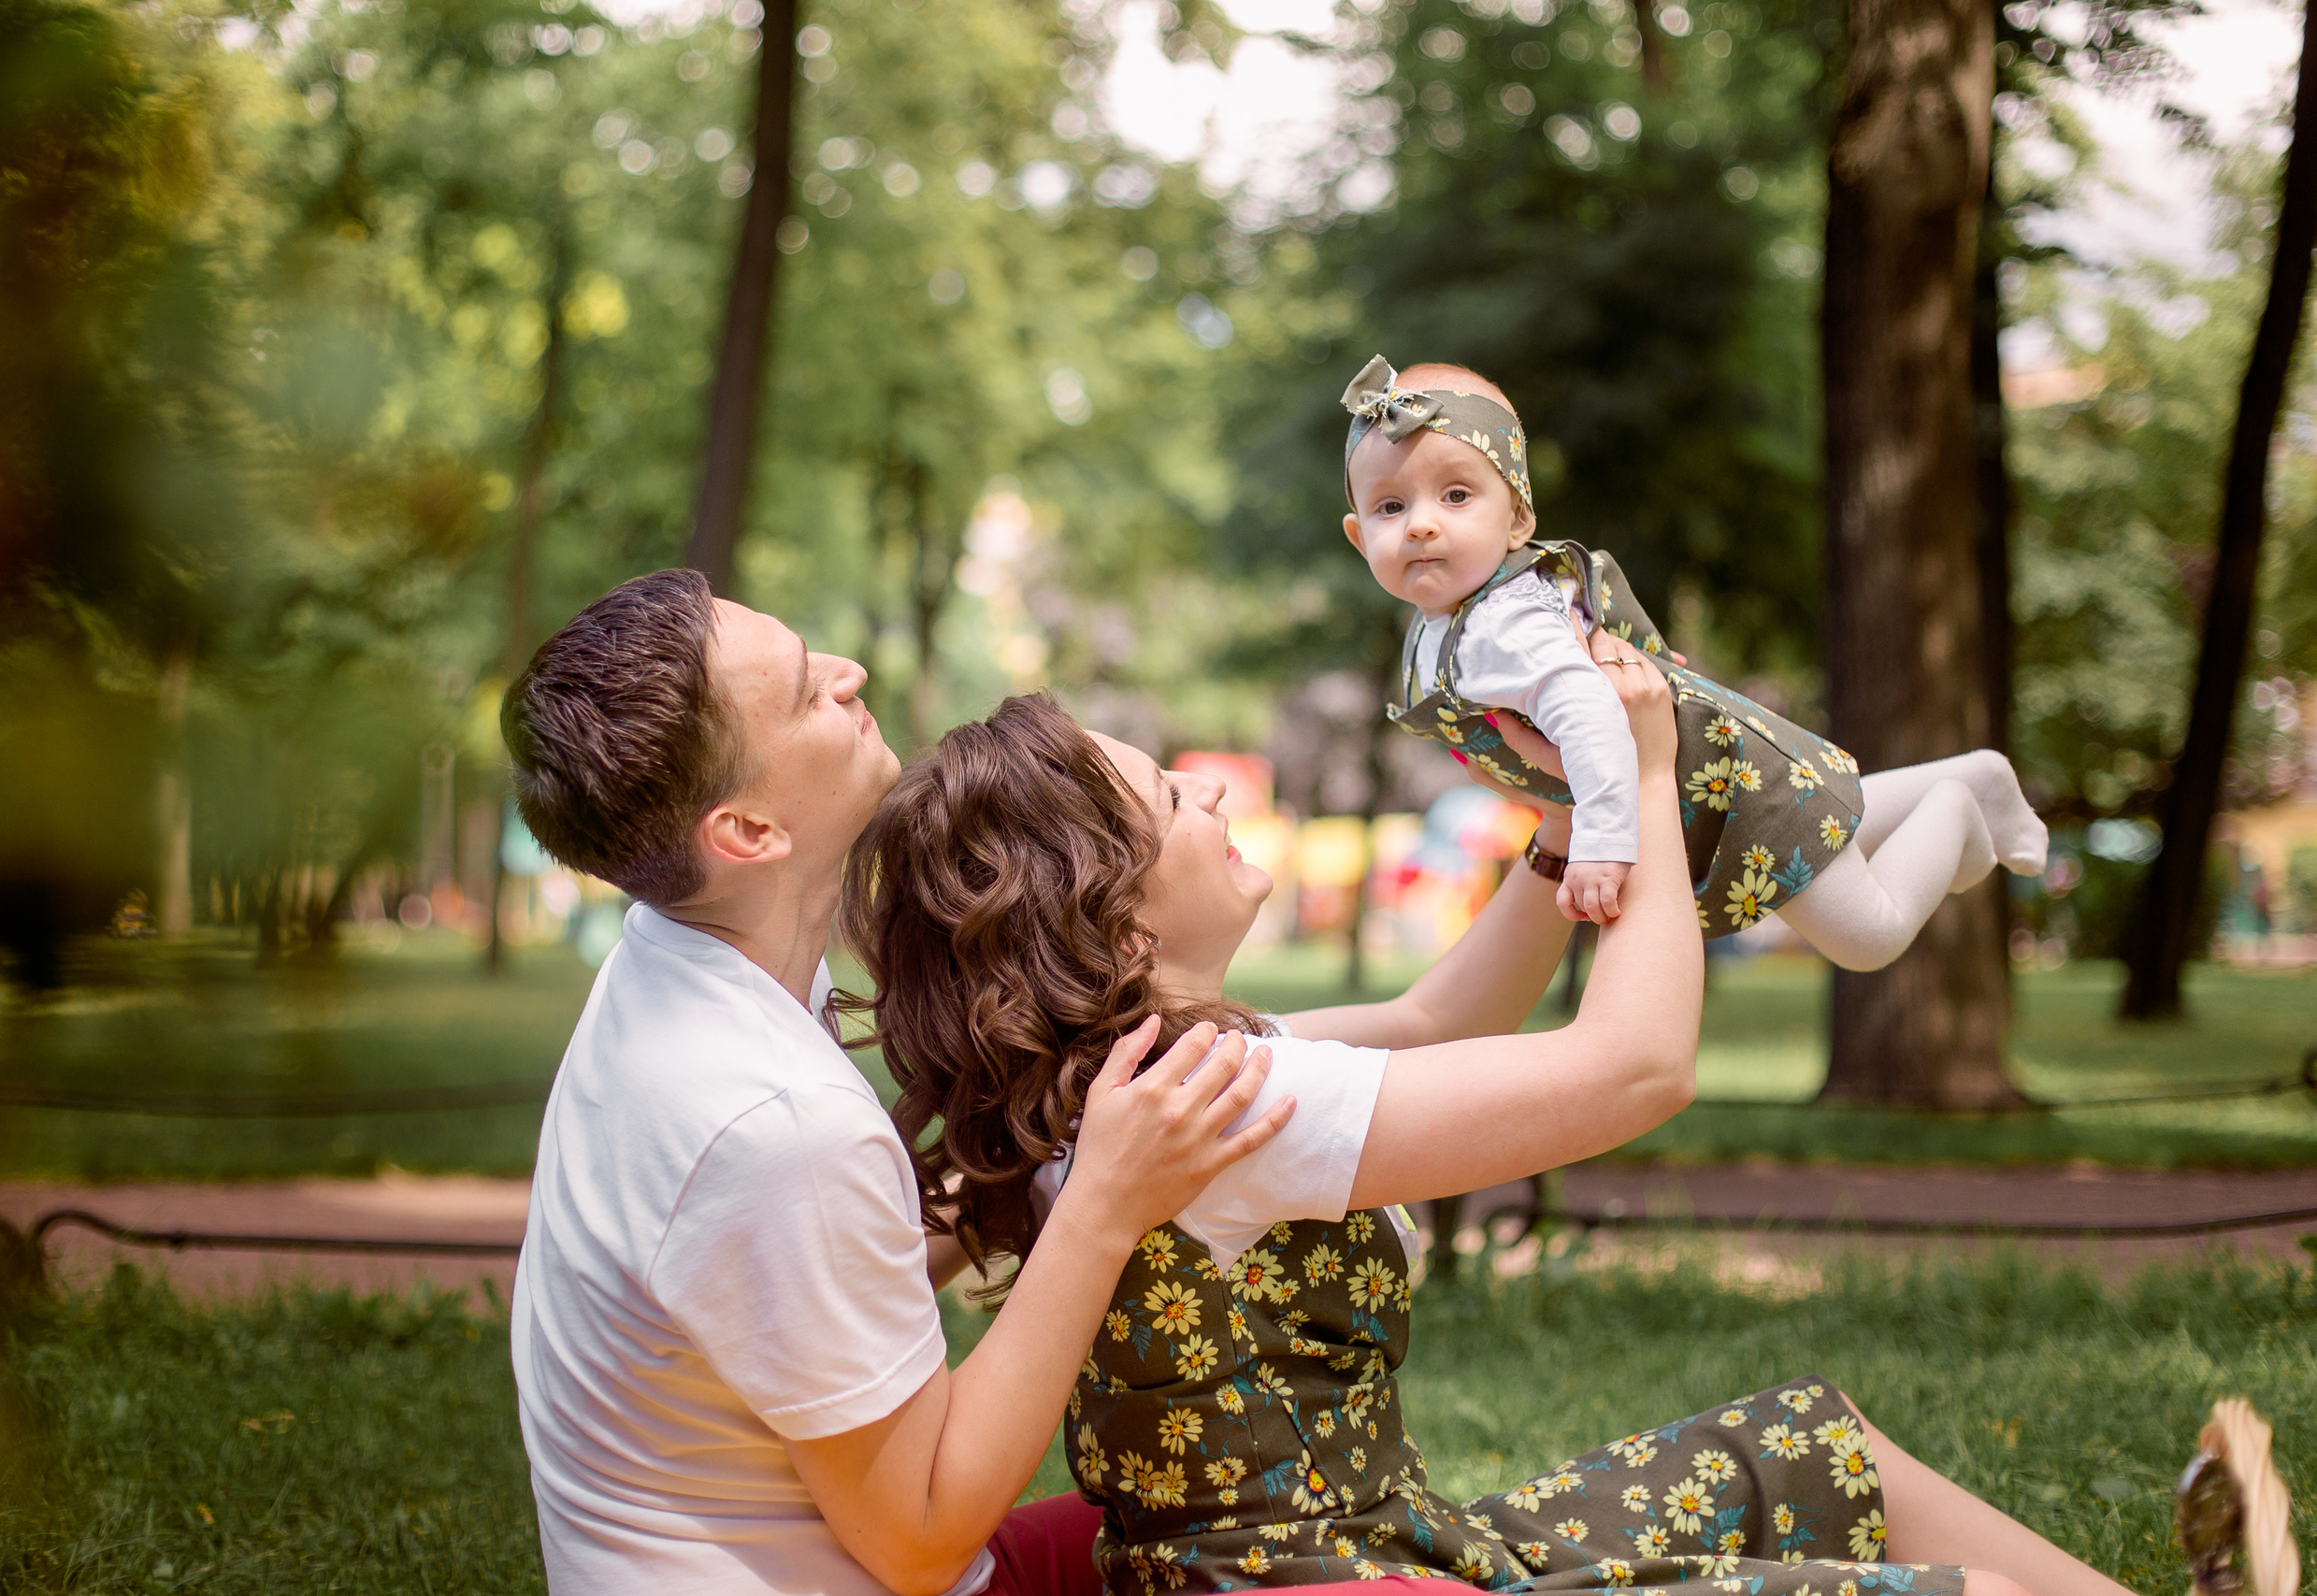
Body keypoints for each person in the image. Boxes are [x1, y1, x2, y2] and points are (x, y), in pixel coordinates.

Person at [840, 672, 2139, 1596]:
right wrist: (1641, 780)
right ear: (1121, 930)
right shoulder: (1224, 1107)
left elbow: (1437, 1009)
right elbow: (1634, 1068)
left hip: (1374, 1541)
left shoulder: (1113, 1086)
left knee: (1817, 1440)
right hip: (1332, 1579)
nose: (1213, 797)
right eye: (1175, 797)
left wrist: (1571, 816)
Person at [497, 569, 1304, 1596]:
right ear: (746, 833)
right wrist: (1101, 1201)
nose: (850, 673)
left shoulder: (671, 956)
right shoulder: (771, 1123)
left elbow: (797, 1268)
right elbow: (921, 1538)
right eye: (803, 691)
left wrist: (1013, 1169)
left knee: (1257, 1507)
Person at [1337, 354, 2050, 971]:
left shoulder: (1505, 624)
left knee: (1867, 936)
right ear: (1358, 534)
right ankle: (1971, 777)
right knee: (1830, 824)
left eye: (1457, 495)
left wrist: (1603, 845)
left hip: (1716, 794)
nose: (1422, 522)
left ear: (1518, 519)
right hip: (1707, 784)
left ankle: (1956, 804)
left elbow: (1588, 718)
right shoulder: (1454, 622)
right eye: (1391, 506)